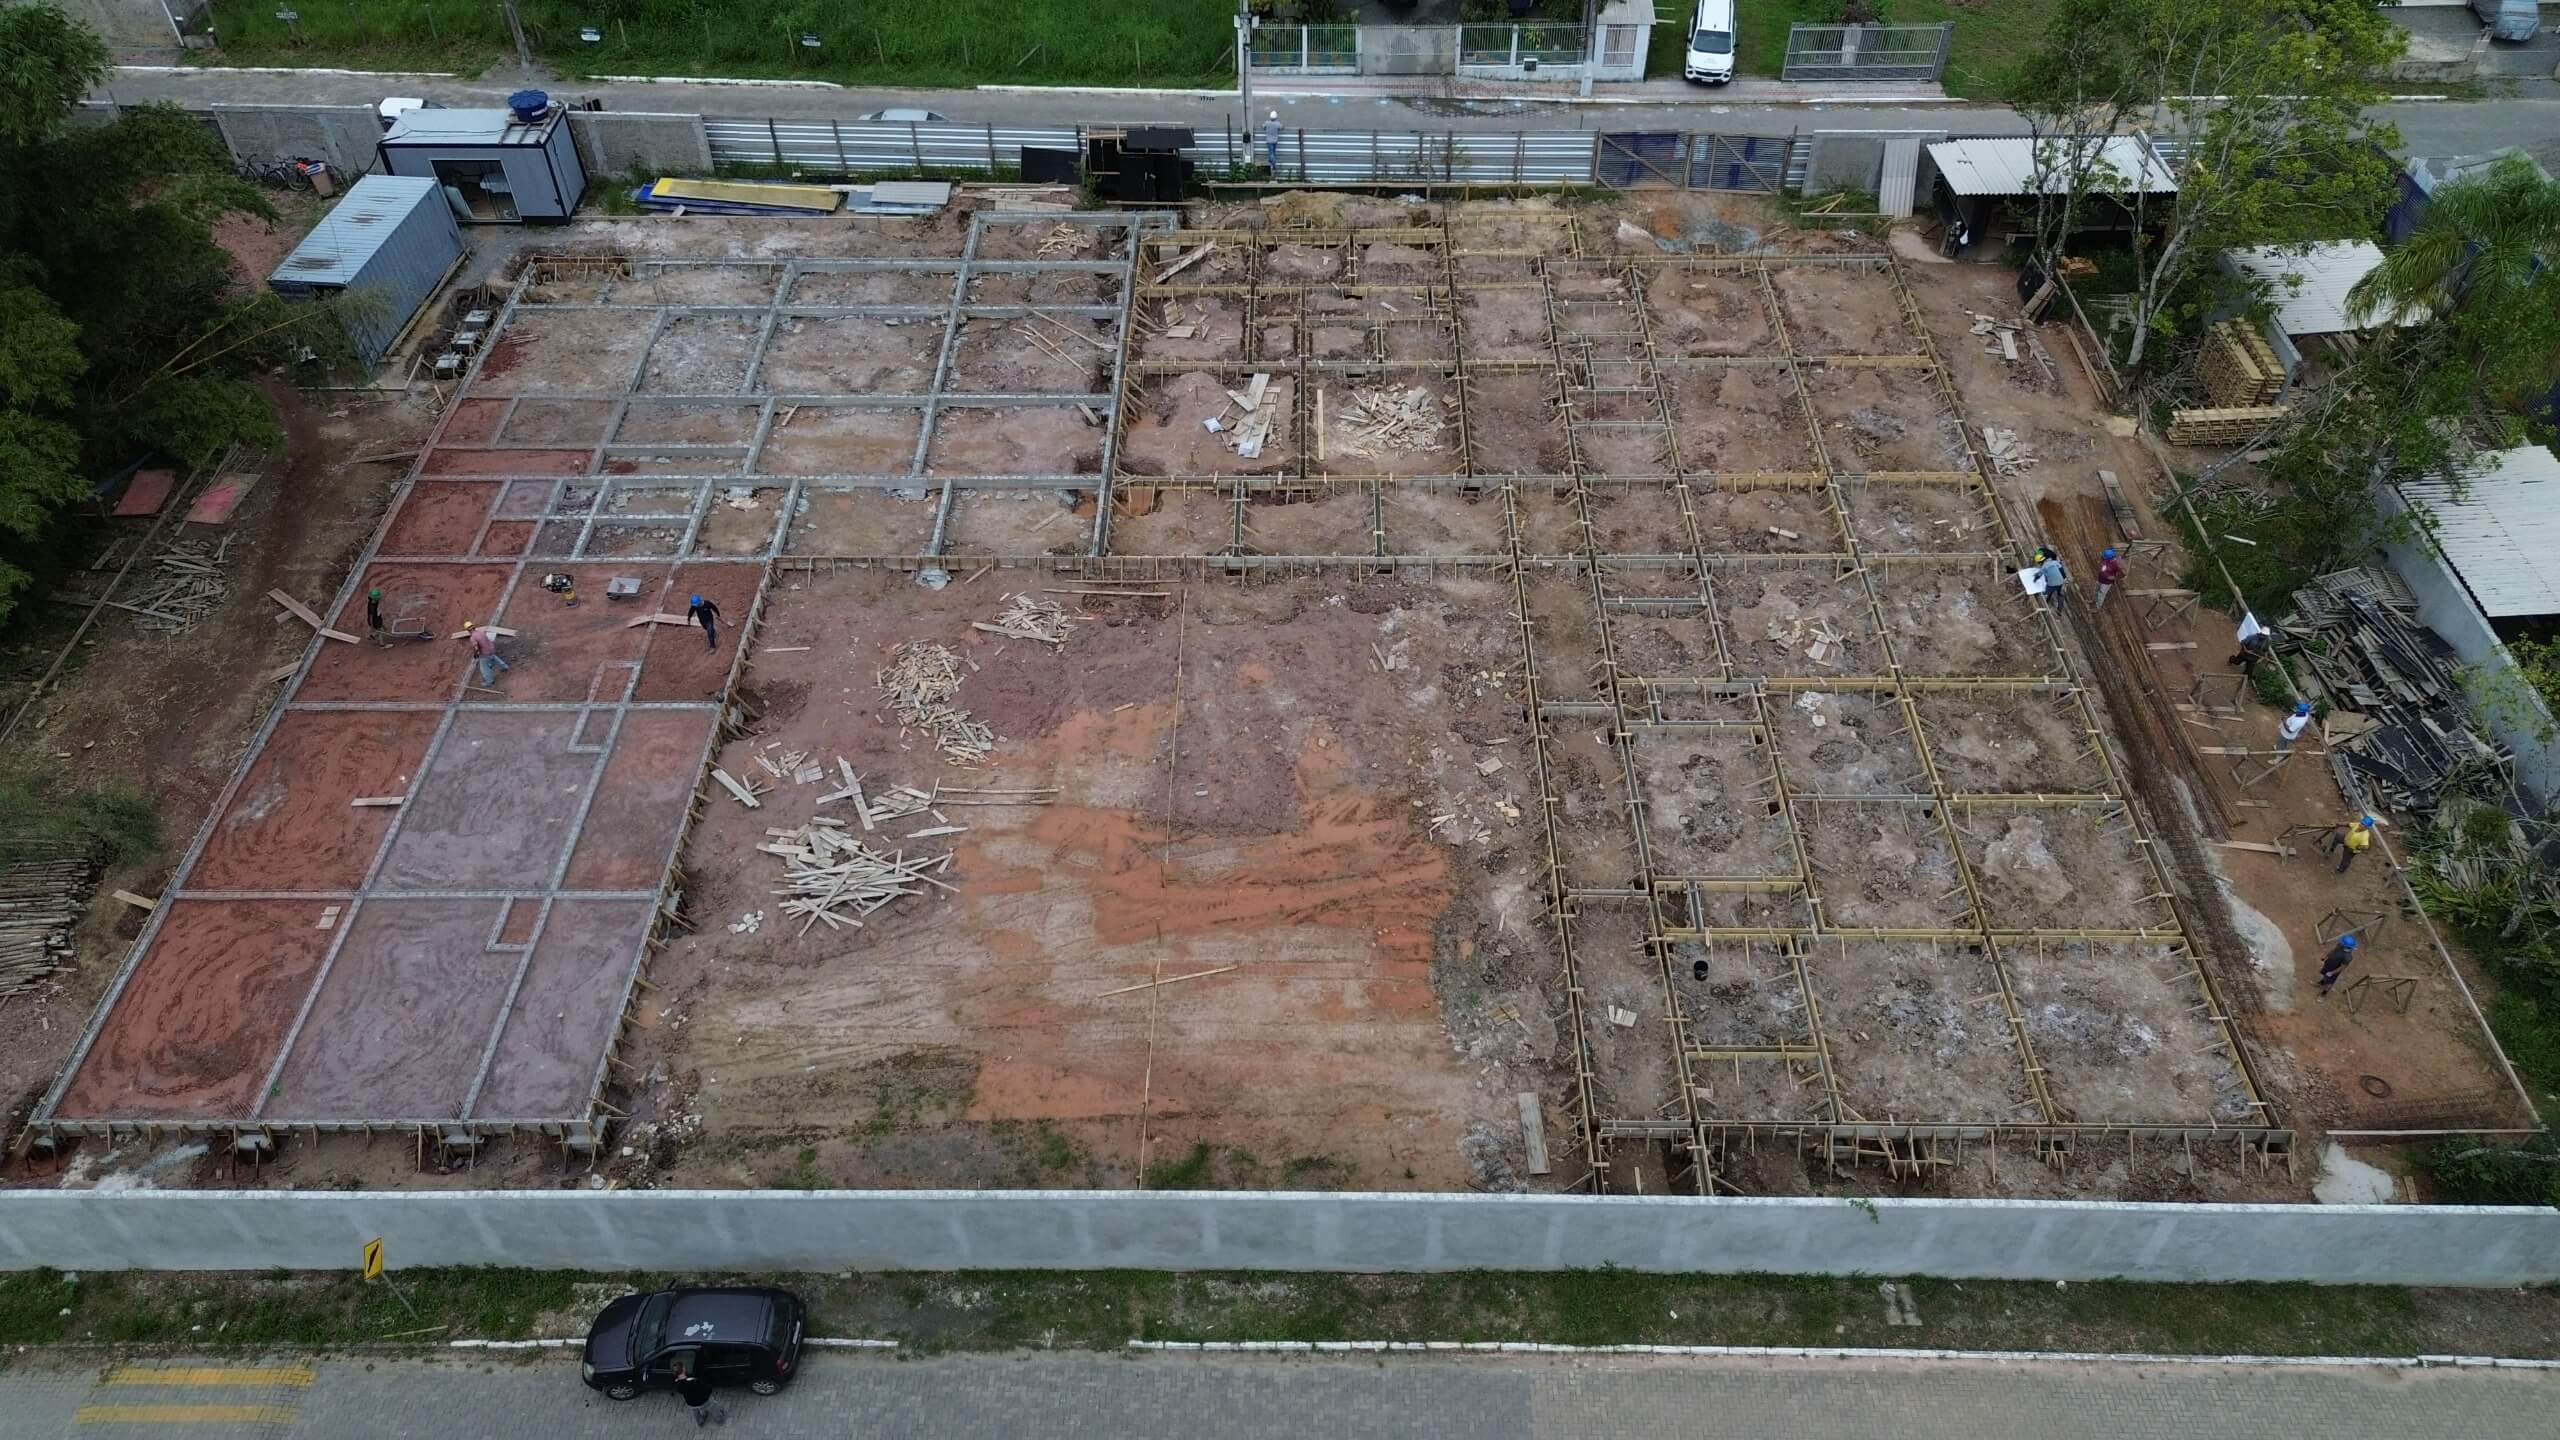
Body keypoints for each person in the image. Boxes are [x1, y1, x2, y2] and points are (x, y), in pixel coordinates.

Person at [672, 1353, 725, 1428]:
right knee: (714, 1407)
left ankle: (700, 1421)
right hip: (702, 1401)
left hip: (691, 1403)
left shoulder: (677, 1383)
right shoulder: (693, 1381)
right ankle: (719, 1419)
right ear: (683, 1369)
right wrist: (709, 1389)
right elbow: (704, 1389)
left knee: (695, 1412)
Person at [464, 621, 508, 687]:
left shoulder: (473, 638)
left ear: (467, 630)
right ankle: (504, 667)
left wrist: (476, 654)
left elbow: (476, 648)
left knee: (484, 668)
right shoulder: (480, 631)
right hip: (491, 649)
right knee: (493, 657)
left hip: (485, 654)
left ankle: (489, 681)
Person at [2315, 933, 2358, 1001]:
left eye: (2342, 943)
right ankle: (2321, 983)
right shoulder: (2339, 946)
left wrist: (2332, 973)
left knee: (2329, 983)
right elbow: (2332, 951)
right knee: (2324, 974)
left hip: (2333, 971)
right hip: (2328, 964)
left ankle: (2323, 994)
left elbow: (2342, 967)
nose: (2341, 943)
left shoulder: (2348, 957)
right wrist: (2325, 957)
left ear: (2347, 946)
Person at [1263, 110, 1282, 175]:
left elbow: (1263, 127)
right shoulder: (1277, 123)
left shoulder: (1267, 122)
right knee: (1273, 153)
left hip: (1269, 140)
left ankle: (1273, 164)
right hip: (1275, 140)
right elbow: (1281, 128)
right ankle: (1272, 162)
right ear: (1276, 117)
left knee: (1271, 153)